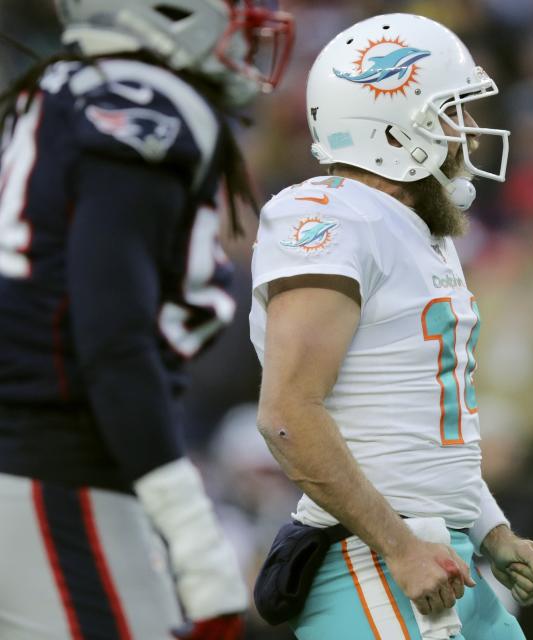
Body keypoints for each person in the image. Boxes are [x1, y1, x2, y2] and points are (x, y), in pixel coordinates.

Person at [250, 13, 533, 640]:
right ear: (394, 124)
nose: (468, 132)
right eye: (451, 113)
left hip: (442, 561)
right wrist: (401, 547)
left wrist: (492, 532)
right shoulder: (329, 216)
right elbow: (287, 413)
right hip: (376, 562)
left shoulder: (418, 232)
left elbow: (425, 434)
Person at [0, 1, 294, 638]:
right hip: (54, 463)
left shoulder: (57, 88)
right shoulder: (143, 103)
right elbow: (111, 338)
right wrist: (188, 524)